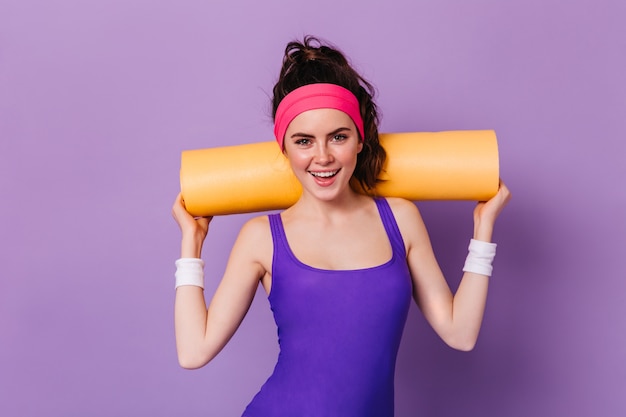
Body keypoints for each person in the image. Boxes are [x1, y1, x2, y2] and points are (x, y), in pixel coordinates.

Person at [171, 36, 511, 417]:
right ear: (284, 148)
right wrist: (192, 241)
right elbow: (193, 351)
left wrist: (483, 230)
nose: (323, 157)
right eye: (304, 141)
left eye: (338, 136)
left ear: (360, 139)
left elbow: (460, 333)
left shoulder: (400, 219)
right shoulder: (262, 238)